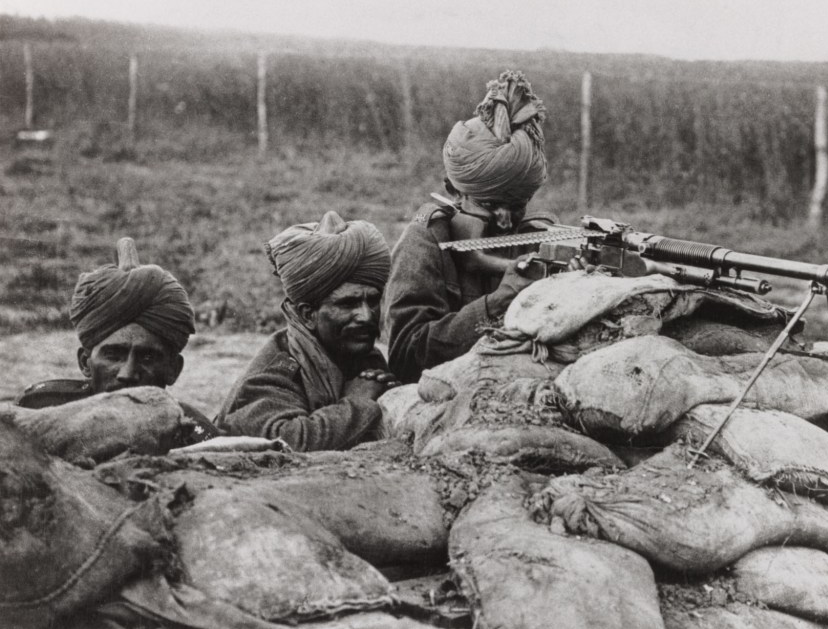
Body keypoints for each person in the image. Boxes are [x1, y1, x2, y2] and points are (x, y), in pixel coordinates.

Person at [383, 70, 555, 382]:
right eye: (490, 205)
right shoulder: (428, 240)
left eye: (517, 205)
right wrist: (497, 303)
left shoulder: (539, 236)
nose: (505, 220)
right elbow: (405, 355)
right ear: (453, 190)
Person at [215, 212, 398, 450]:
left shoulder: (361, 354)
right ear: (307, 315)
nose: (366, 315)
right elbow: (289, 442)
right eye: (347, 304)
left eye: (372, 301)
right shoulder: (274, 373)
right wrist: (356, 403)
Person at [16, 237, 219, 440]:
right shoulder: (39, 411)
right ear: (85, 363)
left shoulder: (192, 434)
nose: (127, 374)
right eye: (113, 356)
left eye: (148, 358)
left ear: (173, 370)